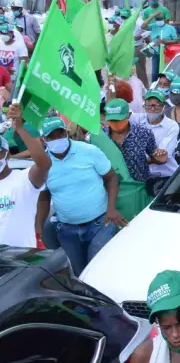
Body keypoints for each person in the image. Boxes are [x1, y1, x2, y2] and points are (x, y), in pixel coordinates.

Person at [35, 117, 123, 273]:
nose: (57, 139)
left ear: (66, 133)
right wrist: (38, 226)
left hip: (100, 224)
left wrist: (111, 209)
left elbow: (111, 178)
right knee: (77, 274)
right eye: (51, 137)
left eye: (60, 134)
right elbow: (44, 196)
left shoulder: (88, 151)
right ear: (43, 140)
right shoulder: (42, 165)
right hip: (67, 229)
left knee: (97, 271)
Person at [0, 104, 49, 247]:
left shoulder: (23, 179)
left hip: (23, 261)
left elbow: (44, 164)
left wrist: (20, 129)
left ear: (7, 154)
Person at [103, 98, 160, 184]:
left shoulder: (143, 133)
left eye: (118, 120)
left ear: (128, 115)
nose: (115, 123)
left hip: (140, 187)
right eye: (112, 120)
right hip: (111, 188)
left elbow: (154, 156)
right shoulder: (100, 136)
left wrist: (160, 158)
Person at [134, 90, 179, 195]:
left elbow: (161, 157)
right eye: (149, 105)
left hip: (165, 177)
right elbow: (118, 114)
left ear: (164, 107)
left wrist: (135, 160)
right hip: (142, 178)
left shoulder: (171, 126)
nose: (152, 109)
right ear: (144, 106)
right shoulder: (138, 119)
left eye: (156, 105)